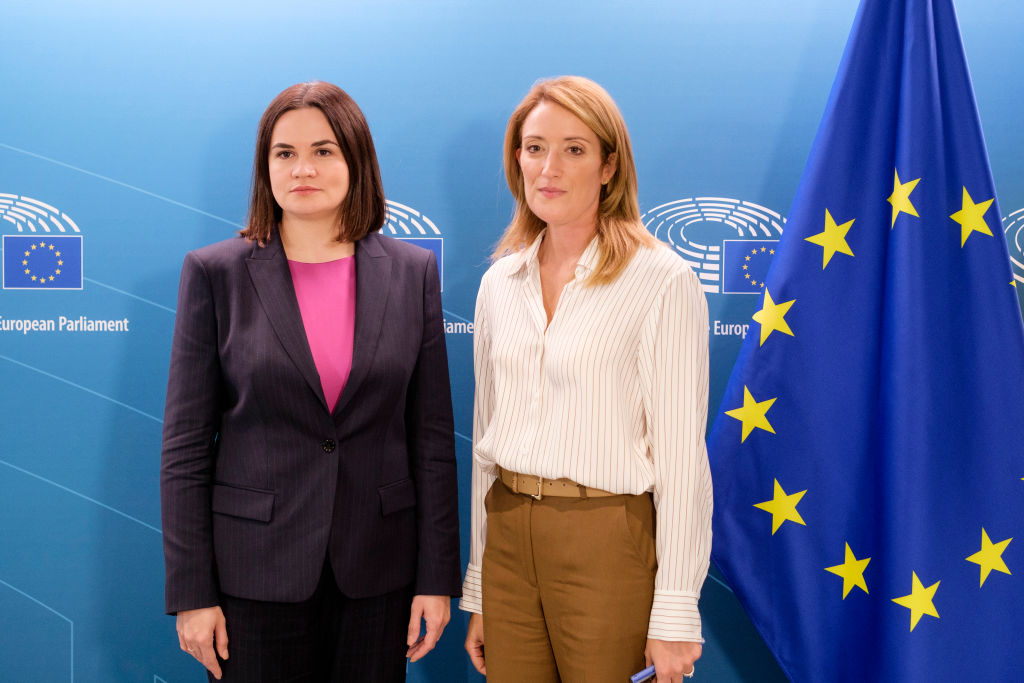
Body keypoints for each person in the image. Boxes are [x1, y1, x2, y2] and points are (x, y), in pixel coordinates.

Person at [160, 81, 461, 682]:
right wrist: (192, 592)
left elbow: (430, 439)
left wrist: (436, 578)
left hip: (377, 573)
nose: (303, 168)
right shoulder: (215, 274)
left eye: (324, 151)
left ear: (356, 161)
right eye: (284, 153)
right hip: (254, 575)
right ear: (265, 167)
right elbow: (185, 448)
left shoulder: (412, 272)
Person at [460, 76, 712, 683]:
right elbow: (485, 440)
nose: (549, 167)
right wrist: (480, 589)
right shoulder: (499, 283)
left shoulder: (662, 280)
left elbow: (682, 461)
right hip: (510, 539)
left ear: (608, 165)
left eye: (574, 149)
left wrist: (675, 611)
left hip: (607, 539)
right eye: (534, 147)